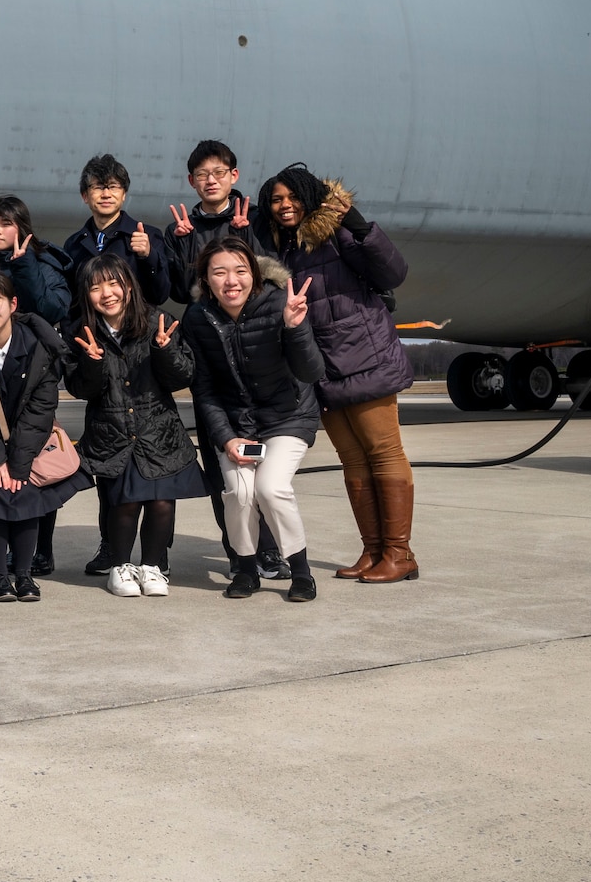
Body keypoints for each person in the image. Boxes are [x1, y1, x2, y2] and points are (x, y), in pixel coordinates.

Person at [258, 165, 419, 583]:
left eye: (292, 197)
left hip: (364, 354)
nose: (284, 206)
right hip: (323, 365)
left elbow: (393, 273)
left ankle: (400, 554)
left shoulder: (335, 232)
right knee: (352, 459)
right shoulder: (284, 249)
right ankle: (373, 550)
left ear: (310, 197)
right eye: (276, 200)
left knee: (383, 453)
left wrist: (358, 224)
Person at [182, 238, 324, 602]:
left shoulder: (279, 303)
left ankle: (302, 571)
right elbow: (205, 390)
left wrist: (295, 327)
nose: (232, 281)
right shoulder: (197, 318)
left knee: (271, 488)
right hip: (237, 425)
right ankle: (246, 569)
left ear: (255, 275)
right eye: (220, 272)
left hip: (287, 417)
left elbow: (310, 371)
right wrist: (226, 438)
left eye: (241, 271)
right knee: (239, 493)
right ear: (207, 280)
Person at [0, 271, 92, 601]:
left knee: (26, 496)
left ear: (12, 304)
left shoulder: (39, 346)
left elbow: (42, 406)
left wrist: (19, 462)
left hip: (29, 439)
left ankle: (23, 575)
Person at [62, 256, 207, 598]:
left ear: (129, 285)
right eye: (96, 287)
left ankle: (153, 567)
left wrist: (165, 351)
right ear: (87, 294)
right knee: (123, 502)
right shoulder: (80, 331)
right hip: (112, 431)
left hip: (159, 430)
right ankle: (120, 567)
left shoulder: (159, 320)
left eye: (114, 284)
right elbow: (80, 389)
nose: (106, 293)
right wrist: (91, 363)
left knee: (161, 503)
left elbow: (183, 375)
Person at [61, 155, 172, 306]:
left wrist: (148, 256)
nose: (106, 194)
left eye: (113, 186)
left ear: (124, 194)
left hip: (135, 327)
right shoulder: (73, 244)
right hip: (89, 328)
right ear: (85, 196)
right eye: (98, 187)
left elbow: (160, 296)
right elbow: (69, 299)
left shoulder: (149, 236)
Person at [164, 140, 252, 305]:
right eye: (202, 175)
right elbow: (182, 294)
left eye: (219, 172)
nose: (211, 180)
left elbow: (263, 279)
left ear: (234, 175)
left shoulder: (252, 220)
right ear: (192, 181)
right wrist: (185, 243)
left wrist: (244, 235)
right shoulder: (178, 230)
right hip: (201, 322)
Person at [0, 196, 71, 326]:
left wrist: (25, 265)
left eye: (6, 224)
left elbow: (53, 312)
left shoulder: (42, 262)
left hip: (30, 343)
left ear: (21, 228)